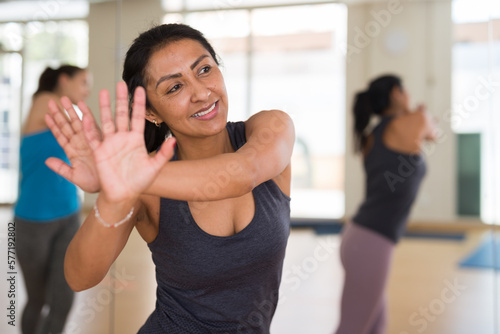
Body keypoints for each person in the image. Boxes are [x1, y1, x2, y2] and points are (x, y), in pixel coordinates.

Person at [44, 23, 294, 333]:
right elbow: (79, 276)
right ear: (151, 112)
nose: (202, 93)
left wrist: (129, 177)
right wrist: (114, 194)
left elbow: (241, 174)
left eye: (204, 69)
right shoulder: (144, 187)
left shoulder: (270, 130)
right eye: (174, 87)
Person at [335, 75, 436, 334]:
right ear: (396, 92)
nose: (410, 96)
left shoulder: (371, 137)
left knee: (376, 326)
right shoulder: (414, 121)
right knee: (353, 328)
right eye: (407, 91)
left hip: (359, 239)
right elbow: (432, 134)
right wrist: (420, 112)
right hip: (372, 243)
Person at [14, 65, 91, 334]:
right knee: (38, 300)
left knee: (63, 298)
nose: (87, 90)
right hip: (33, 223)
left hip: (69, 216)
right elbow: (88, 133)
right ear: (63, 80)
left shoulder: (66, 109)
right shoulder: (45, 101)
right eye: (83, 82)